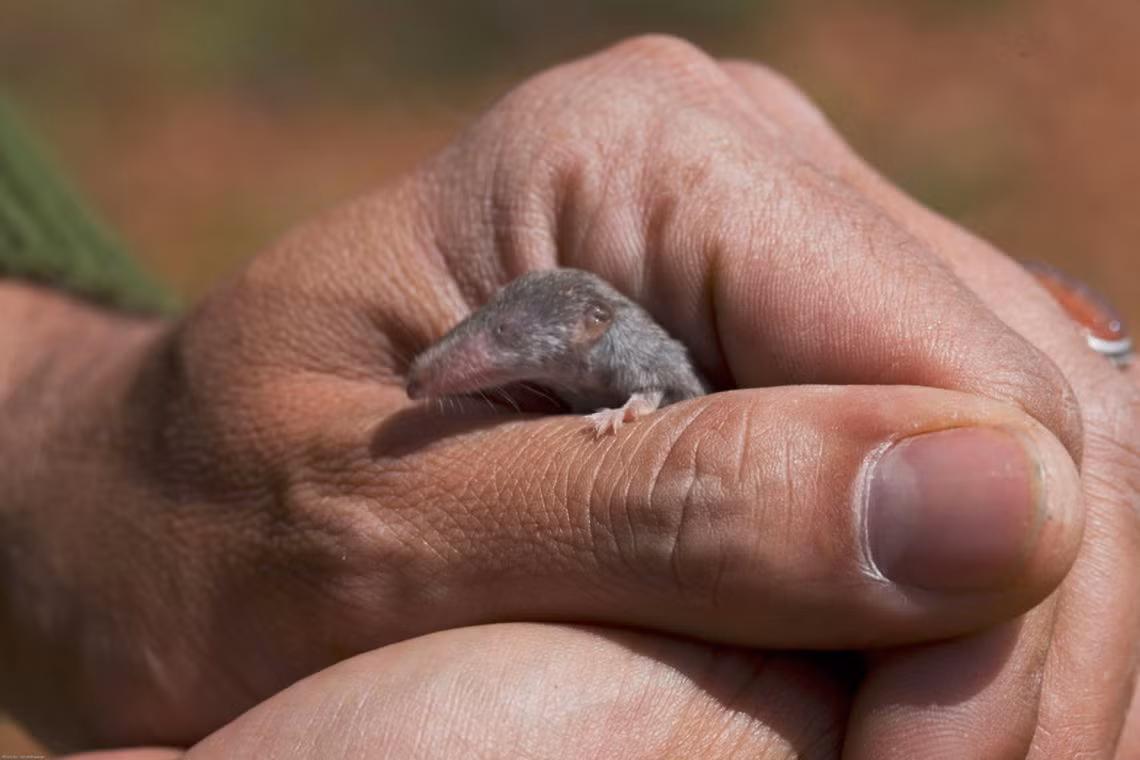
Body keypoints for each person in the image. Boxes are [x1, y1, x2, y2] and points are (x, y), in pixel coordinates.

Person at [1, 36, 1137, 759]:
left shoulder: (630, 358)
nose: (462, 362)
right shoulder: (548, 353)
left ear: (582, 336)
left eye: (501, 343)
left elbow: (659, 385)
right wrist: (73, 423)